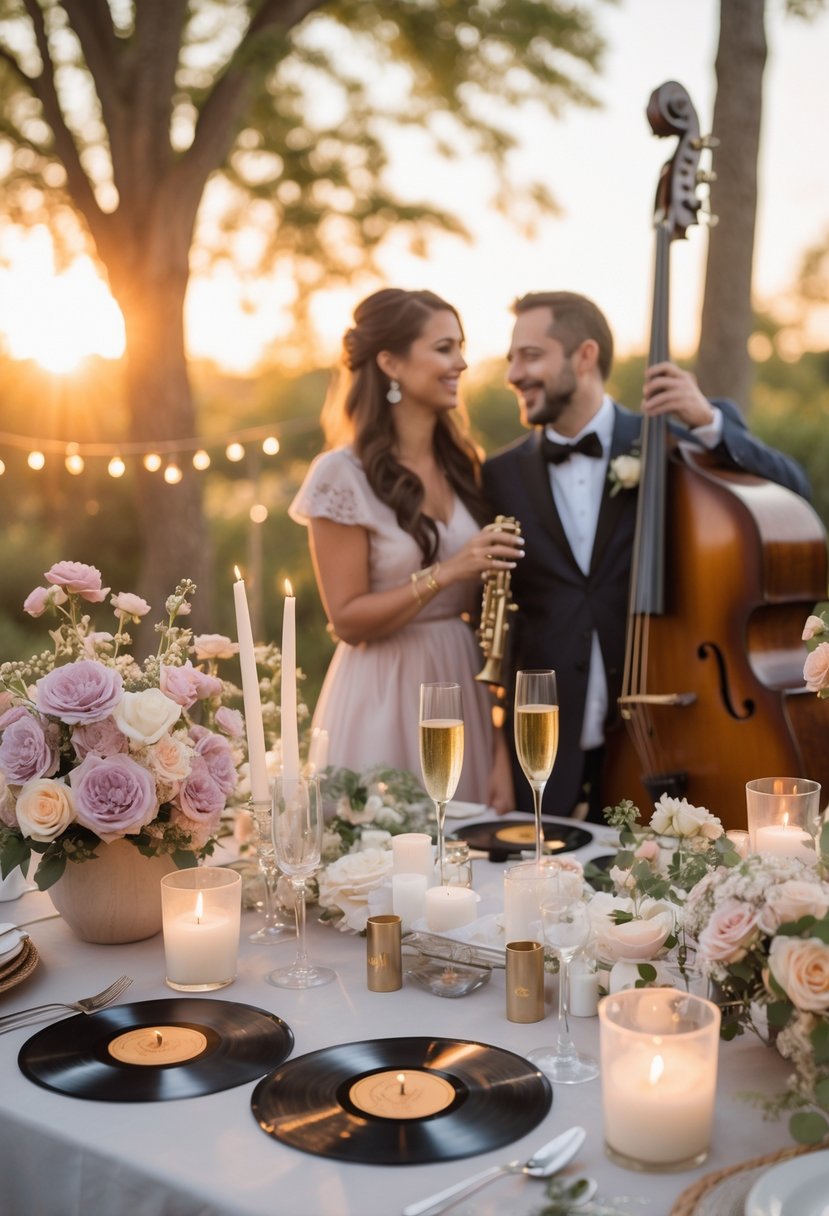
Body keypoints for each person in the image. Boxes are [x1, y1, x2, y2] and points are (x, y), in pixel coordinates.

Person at [482, 291, 812, 821]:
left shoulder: (671, 439)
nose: (514, 374)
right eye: (511, 359)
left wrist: (708, 421)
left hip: (668, 735)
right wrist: (497, 746)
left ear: (584, 355)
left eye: (530, 355)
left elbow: (794, 491)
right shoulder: (498, 477)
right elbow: (494, 622)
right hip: (541, 755)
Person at [289, 288, 524, 809]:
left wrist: (504, 746)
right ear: (391, 362)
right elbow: (346, 619)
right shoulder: (340, 475)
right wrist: (449, 570)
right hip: (384, 688)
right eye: (443, 348)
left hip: (462, 684)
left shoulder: (466, 466)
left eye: (461, 347)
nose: (461, 362)